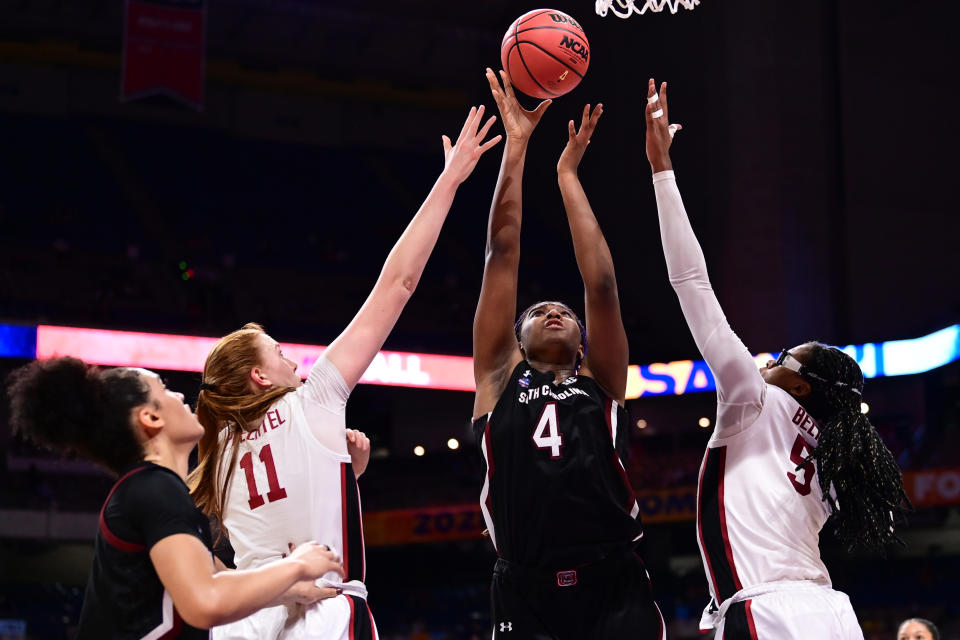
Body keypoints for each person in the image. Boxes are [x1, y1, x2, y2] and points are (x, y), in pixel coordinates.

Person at [187, 105, 502, 640]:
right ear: (260, 378)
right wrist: (450, 181)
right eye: (279, 352)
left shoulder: (216, 455)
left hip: (243, 619)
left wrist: (343, 472)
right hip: (323, 611)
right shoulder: (314, 398)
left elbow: (276, 514)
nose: (292, 361)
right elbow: (398, 284)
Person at [644, 77, 910, 639]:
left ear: (803, 382)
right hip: (831, 612)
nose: (770, 359)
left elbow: (690, 281)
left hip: (769, 612)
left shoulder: (752, 399)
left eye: (785, 356)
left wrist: (661, 170)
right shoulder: (838, 449)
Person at [471, 68, 666, 640]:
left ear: (584, 343)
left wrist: (567, 174)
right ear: (516, 339)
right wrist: (517, 147)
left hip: (614, 581)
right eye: (536, 313)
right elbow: (500, 253)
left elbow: (601, 285)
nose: (553, 310)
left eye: (564, 312)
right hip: (524, 587)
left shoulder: (601, 381)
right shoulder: (498, 379)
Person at [5, 357, 343, 639]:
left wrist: (287, 592)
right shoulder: (154, 491)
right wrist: (296, 565)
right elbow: (205, 601)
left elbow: (214, 577)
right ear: (151, 418)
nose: (179, 394)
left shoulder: (148, 490)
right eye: (163, 389)